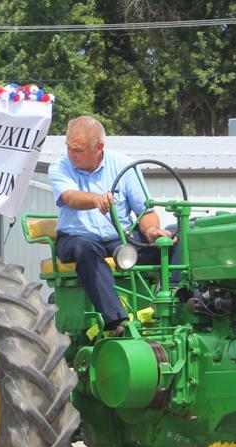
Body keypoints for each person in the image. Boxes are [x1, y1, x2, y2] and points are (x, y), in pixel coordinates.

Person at [49, 115, 172, 334]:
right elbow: (70, 198)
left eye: (77, 150)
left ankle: (174, 305)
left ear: (99, 147)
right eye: (68, 147)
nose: (70, 154)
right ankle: (117, 322)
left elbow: (145, 210)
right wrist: (96, 200)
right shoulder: (60, 167)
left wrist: (152, 230)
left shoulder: (124, 166)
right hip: (75, 238)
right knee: (86, 250)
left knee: (168, 242)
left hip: (118, 239)